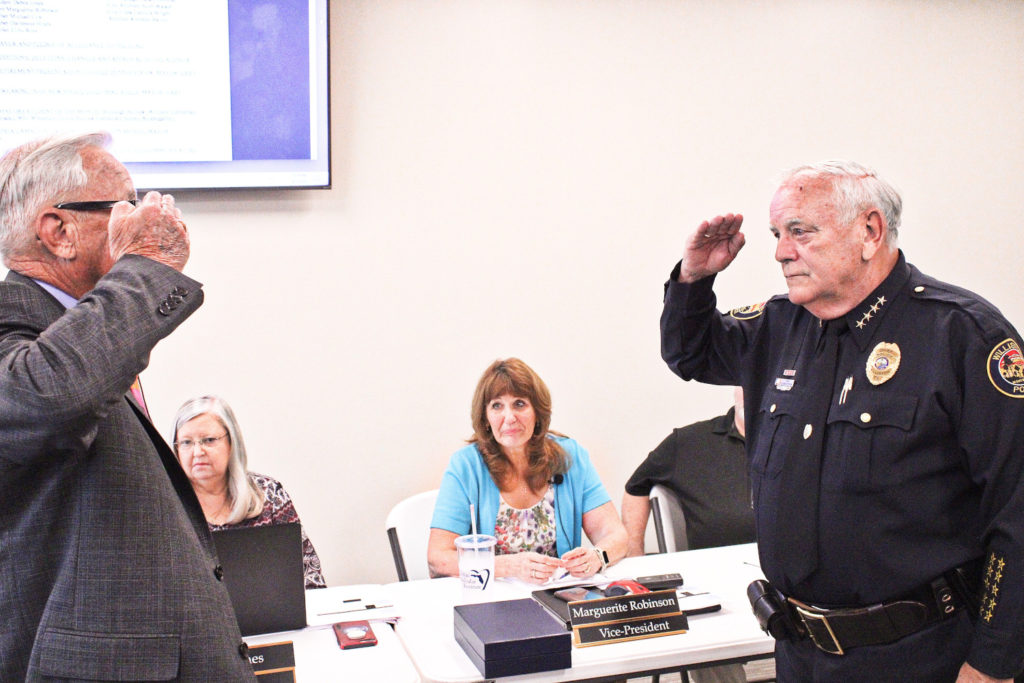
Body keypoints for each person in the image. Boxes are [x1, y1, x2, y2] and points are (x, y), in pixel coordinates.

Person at [660, 160, 1024, 682]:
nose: (782, 251)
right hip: (801, 653)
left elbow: (1016, 513)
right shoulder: (779, 325)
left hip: (923, 656)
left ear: (869, 232)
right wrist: (694, 278)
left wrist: (993, 664)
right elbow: (688, 353)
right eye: (778, 234)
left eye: (801, 232)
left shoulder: (961, 335)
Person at [0, 133, 255, 680]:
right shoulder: (16, 326)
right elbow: (45, 397)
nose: (146, 216)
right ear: (59, 231)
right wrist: (145, 265)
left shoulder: (71, 331)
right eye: (125, 205)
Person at [428, 358, 627, 583]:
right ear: (485, 418)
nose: (509, 417)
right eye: (497, 405)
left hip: (560, 598)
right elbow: (438, 558)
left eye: (519, 404)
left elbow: (616, 535)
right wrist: (509, 566)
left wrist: (597, 556)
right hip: (492, 599)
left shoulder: (571, 457)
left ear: (537, 412)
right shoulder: (466, 466)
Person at [172, 395, 326, 589]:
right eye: (186, 442)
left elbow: (309, 574)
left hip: (271, 617)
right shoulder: (168, 504)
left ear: (232, 443)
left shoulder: (269, 494)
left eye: (209, 440)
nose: (197, 452)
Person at [621, 386, 753, 556]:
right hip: (713, 572)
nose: (753, 389)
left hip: (787, 573)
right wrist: (635, 558)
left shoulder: (796, 443)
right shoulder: (690, 442)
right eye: (746, 380)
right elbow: (636, 488)